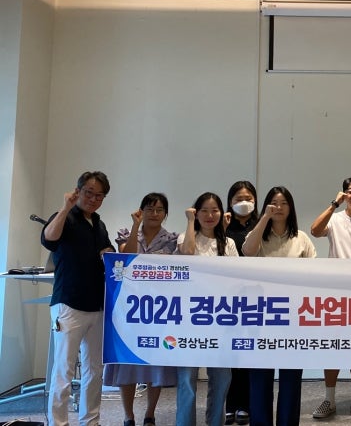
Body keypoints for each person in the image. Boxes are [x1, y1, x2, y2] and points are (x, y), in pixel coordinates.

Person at [41, 170, 116, 426]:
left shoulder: (98, 223)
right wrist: (65, 207)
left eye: (99, 196)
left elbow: (105, 250)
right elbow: (49, 239)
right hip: (69, 305)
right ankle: (58, 423)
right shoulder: (65, 216)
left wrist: (108, 251)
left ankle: (90, 421)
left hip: (97, 305)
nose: (93, 199)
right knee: (64, 370)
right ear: (78, 191)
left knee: (94, 370)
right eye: (89, 193)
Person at [243, 186, 316, 426]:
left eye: (284, 203)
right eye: (274, 203)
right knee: (260, 377)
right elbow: (247, 251)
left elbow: (314, 273)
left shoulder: (301, 238)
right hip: (261, 314)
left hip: (293, 316)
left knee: (291, 378)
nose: (279, 207)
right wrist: (264, 218)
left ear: (291, 208)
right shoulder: (258, 234)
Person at [103, 192, 178, 426]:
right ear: (141, 211)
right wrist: (136, 226)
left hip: (158, 310)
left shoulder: (172, 240)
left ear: (165, 214)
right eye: (149, 209)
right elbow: (126, 257)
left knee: (154, 363)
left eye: (159, 210)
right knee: (127, 364)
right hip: (129, 309)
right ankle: (128, 416)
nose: (154, 214)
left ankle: (150, 414)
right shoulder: (127, 233)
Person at [309, 176, 351, 420]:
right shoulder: (335, 218)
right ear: (344, 194)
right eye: (350, 191)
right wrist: (333, 204)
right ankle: (329, 399)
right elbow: (315, 230)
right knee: (333, 347)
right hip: (335, 294)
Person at [176, 192, 239, 426]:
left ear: (222, 213)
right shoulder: (186, 237)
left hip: (220, 320)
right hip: (189, 320)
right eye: (204, 210)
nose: (209, 215)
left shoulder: (228, 243)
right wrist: (190, 221)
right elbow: (187, 254)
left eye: (215, 210)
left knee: (221, 379)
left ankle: (215, 422)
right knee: (187, 379)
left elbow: (234, 277)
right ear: (195, 212)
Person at [224, 180, 260, 426]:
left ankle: (245, 405)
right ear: (230, 202)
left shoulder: (261, 225)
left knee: (249, 353)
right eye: (238, 199)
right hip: (227, 299)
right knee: (230, 354)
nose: (243, 202)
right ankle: (230, 404)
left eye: (248, 198)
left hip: (255, 297)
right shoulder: (223, 226)